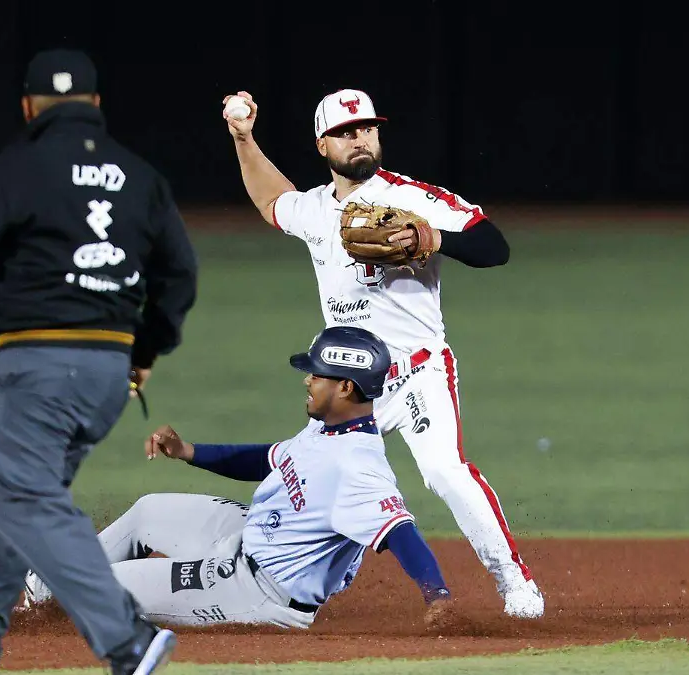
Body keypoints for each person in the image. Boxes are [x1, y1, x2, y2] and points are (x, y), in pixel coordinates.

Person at [0, 48, 197, 675]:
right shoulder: (138, 174)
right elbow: (180, 274)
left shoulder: (18, 169)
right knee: (16, 505)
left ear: (28, 107)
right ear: (96, 106)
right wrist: (144, 350)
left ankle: (126, 639)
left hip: (37, 367)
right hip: (106, 373)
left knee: (29, 499)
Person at [219, 88, 543, 619]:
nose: (359, 138)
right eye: (345, 132)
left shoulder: (415, 198)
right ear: (323, 145)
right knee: (298, 476)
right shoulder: (317, 209)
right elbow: (271, 200)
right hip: (351, 387)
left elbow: (494, 248)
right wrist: (243, 137)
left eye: (367, 128)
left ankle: (514, 581)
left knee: (443, 471)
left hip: (417, 373)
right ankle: (278, 588)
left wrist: (434, 239)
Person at [23, 326, 458, 630]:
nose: (307, 380)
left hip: (256, 591)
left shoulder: (358, 469)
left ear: (345, 388)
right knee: (148, 511)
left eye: (317, 374)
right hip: (250, 536)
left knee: (92, 591)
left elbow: (402, 532)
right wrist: (189, 452)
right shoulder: (328, 427)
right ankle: (38, 593)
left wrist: (437, 597)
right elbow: (269, 459)